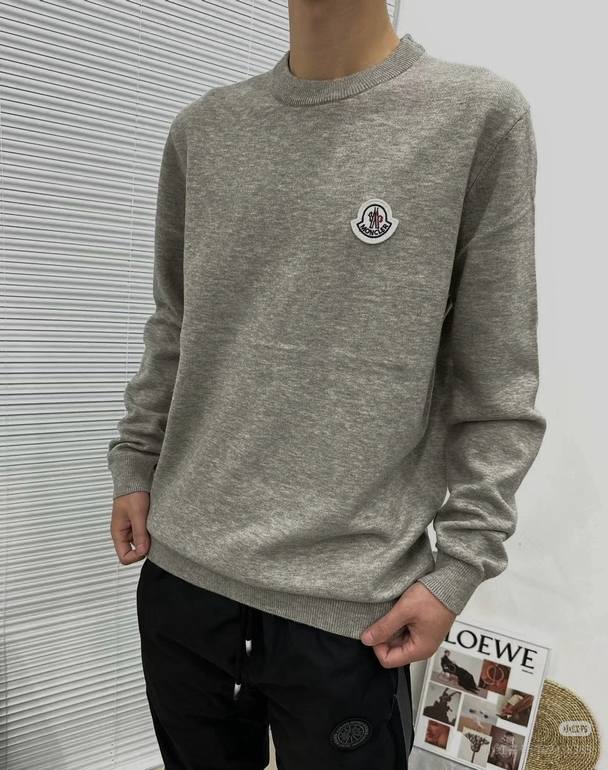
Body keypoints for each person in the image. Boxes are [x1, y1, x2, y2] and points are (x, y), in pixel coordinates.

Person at [107, 1, 547, 768]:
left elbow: (497, 376)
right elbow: (175, 322)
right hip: (183, 580)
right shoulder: (203, 132)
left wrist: (461, 565)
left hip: (348, 609)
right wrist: (137, 459)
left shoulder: (476, 118)